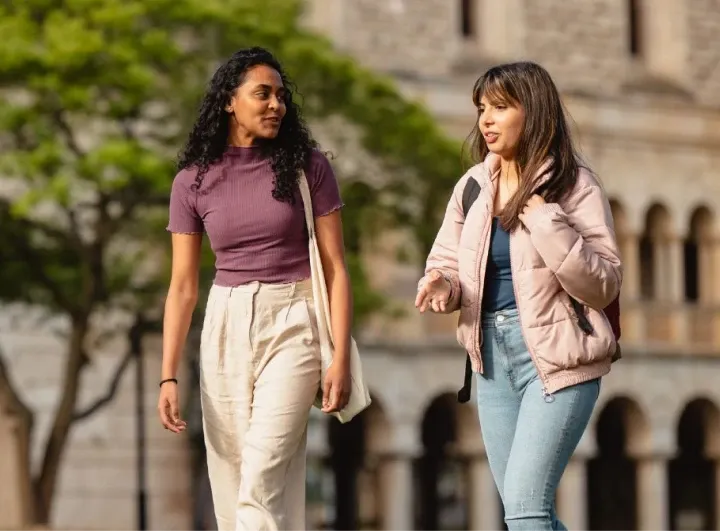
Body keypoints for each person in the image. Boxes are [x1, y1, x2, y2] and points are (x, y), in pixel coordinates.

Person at [415, 61, 622, 531]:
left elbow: (604, 282)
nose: (486, 119)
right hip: (489, 357)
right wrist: (441, 287)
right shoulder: (471, 187)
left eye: (500, 107)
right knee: (529, 511)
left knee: (525, 509)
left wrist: (544, 218)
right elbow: (445, 263)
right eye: (481, 108)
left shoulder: (573, 185)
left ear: (534, 112)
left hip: (557, 359)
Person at [157, 47, 353, 531]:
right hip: (225, 323)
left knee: (261, 471)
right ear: (228, 101)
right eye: (262, 94)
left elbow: (336, 269)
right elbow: (182, 287)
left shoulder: (309, 168)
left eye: (281, 96)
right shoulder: (192, 182)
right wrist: (167, 376)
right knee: (234, 476)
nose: (276, 105)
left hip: (295, 319)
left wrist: (339, 357)